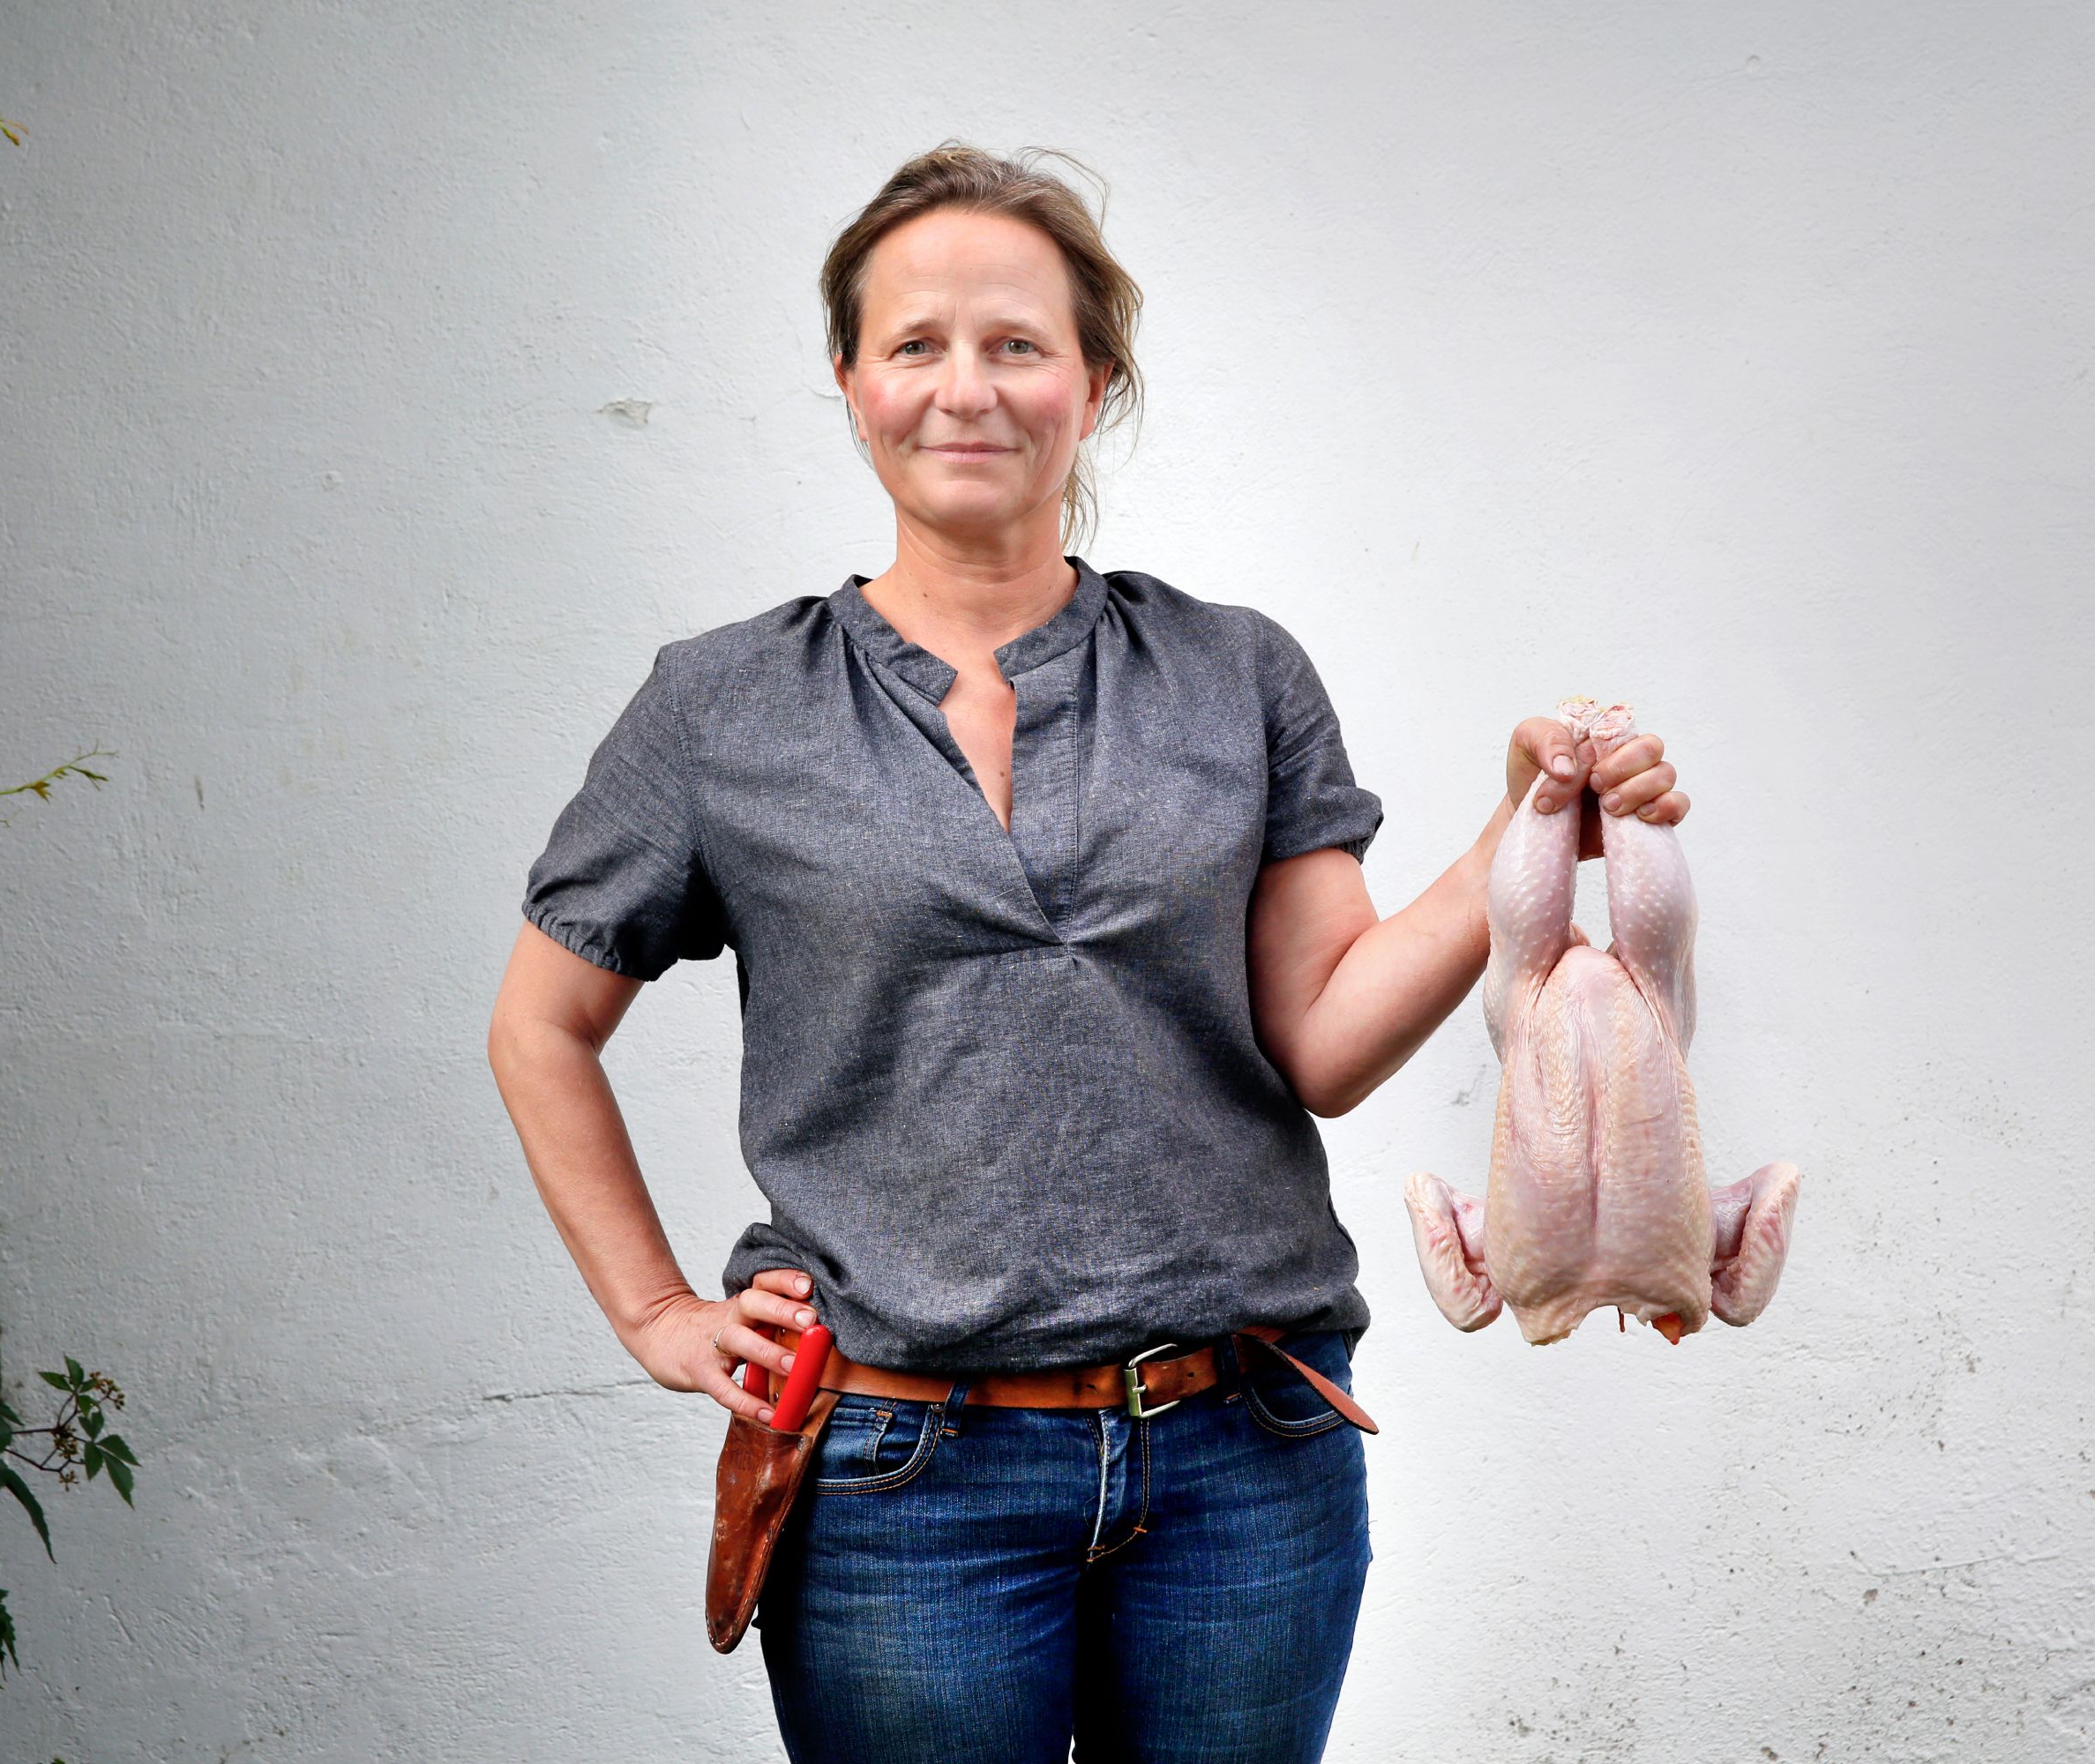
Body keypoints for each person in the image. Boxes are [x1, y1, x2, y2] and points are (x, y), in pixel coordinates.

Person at [485, 143, 1689, 1764]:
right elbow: (541, 1024)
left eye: (1017, 344)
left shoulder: (1235, 673)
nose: (964, 388)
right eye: (915, 344)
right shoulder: (723, 707)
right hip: (903, 1471)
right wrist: (651, 1310)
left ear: (1092, 382)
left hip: (1247, 1450)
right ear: (850, 380)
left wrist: (1521, 827)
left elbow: (1325, 1041)